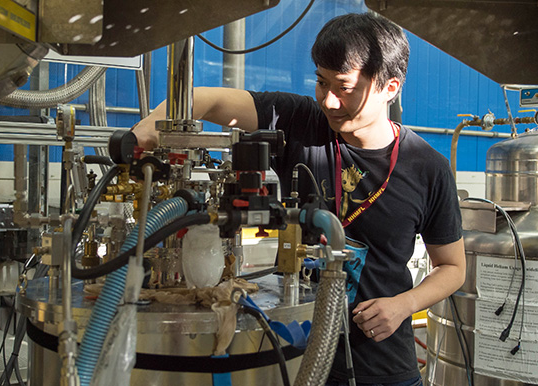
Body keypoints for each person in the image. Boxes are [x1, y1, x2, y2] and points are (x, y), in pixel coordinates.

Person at [133, 13, 465, 386]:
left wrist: (404, 304)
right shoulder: (302, 122)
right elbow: (207, 100)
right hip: (292, 356)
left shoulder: (426, 167)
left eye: (344, 87)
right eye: (321, 83)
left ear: (390, 87)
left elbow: (452, 267)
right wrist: (147, 128)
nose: (329, 101)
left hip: (380, 361)